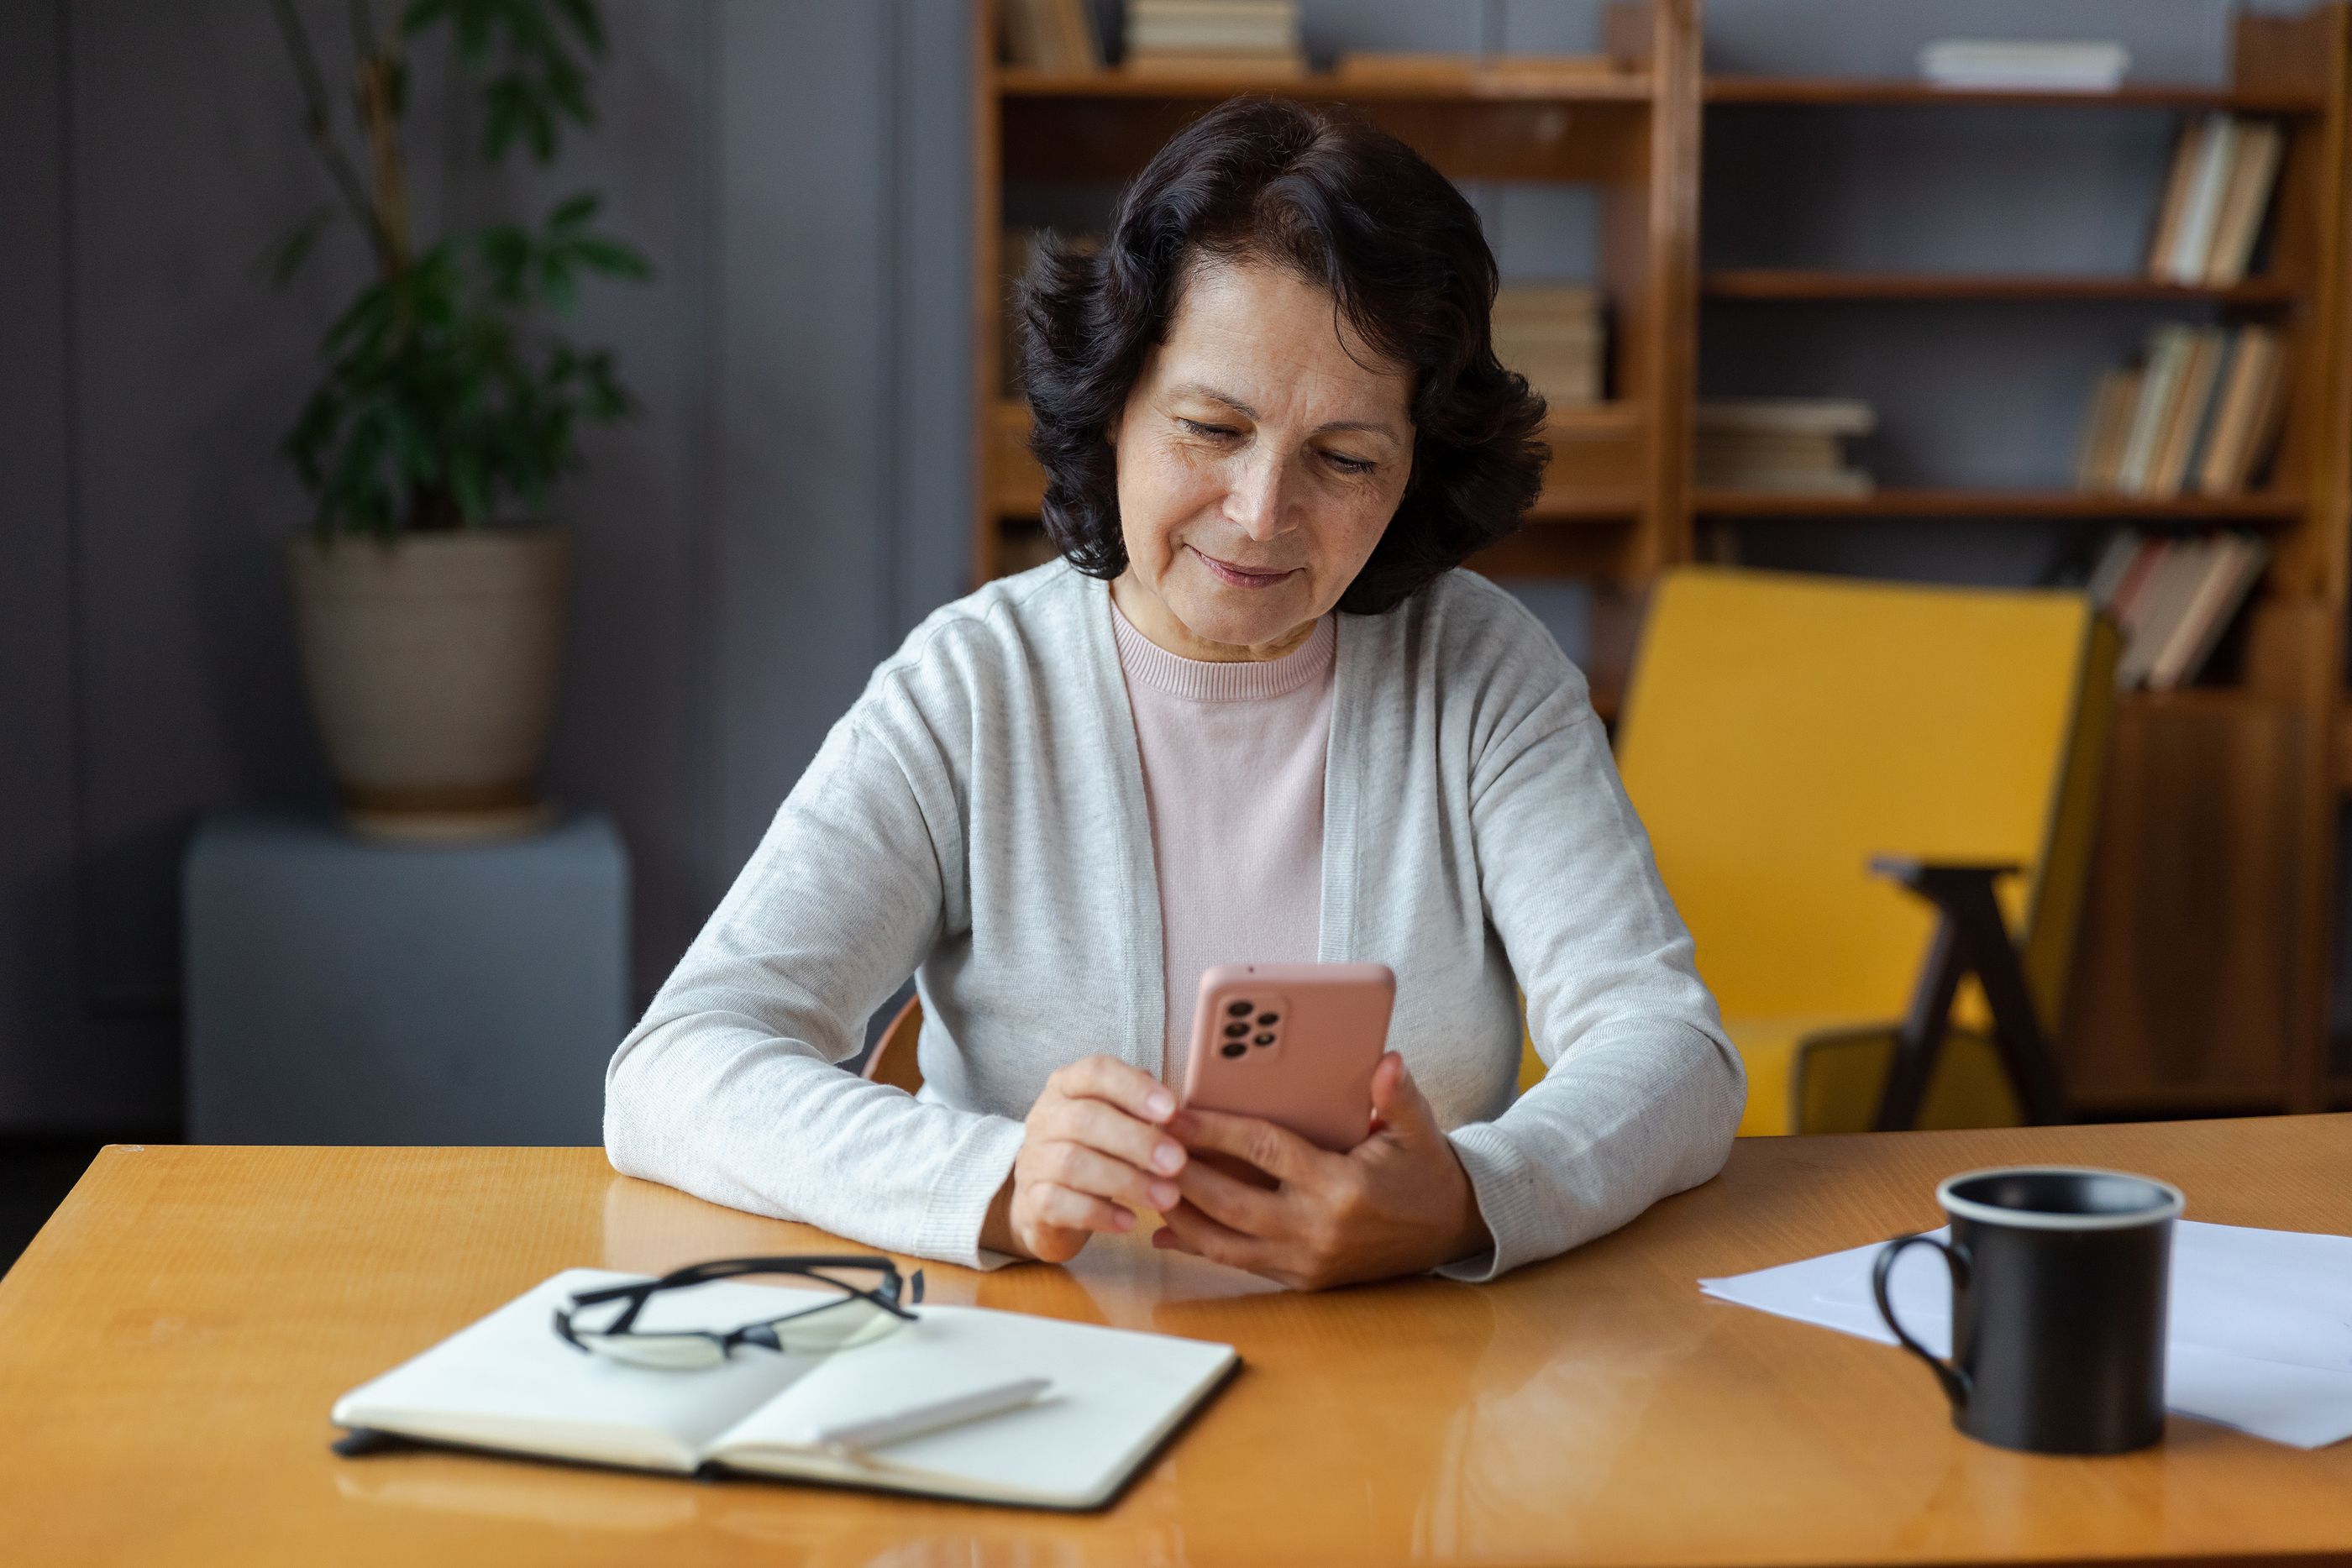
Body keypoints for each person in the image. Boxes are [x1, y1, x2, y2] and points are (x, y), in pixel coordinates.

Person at [605, 97, 1743, 1290]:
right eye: (1211, 427)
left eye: (1346, 459)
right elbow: (678, 1065)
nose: (1261, 514)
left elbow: (1672, 1051)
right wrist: (991, 1180)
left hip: (1410, 1387)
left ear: (1416, 471)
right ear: (1115, 404)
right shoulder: (974, 687)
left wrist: (1468, 1199)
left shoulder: (1484, 678)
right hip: (1042, 1377)